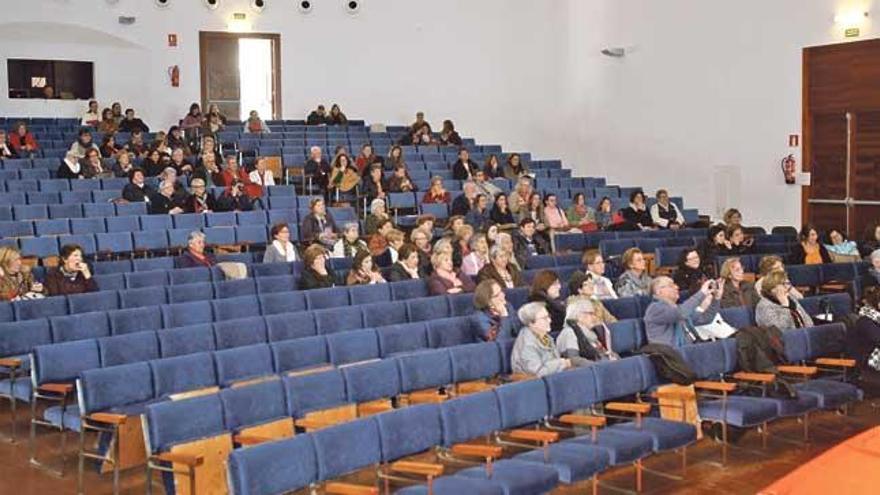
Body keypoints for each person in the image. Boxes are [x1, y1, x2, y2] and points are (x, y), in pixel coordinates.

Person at [644, 277, 721, 347]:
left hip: (688, 349)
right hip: (671, 356)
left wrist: (716, 298)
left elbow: (706, 319)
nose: (677, 287)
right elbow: (681, 313)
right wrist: (702, 293)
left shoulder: (676, 308)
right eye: (671, 285)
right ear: (659, 291)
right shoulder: (655, 309)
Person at [511, 302, 572, 377]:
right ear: (531, 323)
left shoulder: (543, 335)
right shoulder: (527, 345)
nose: (549, 320)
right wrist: (562, 363)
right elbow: (538, 373)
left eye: (548, 316)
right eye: (544, 318)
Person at [557, 298, 620, 364]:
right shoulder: (569, 332)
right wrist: (599, 366)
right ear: (579, 316)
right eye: (591, 313)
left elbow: (602, 353)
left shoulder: (592, 332)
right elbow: (574, 360)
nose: (594, 317)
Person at [528, 270, 566, 335]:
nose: (559, 287)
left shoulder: (550, 302)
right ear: (545, 285)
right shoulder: (540, 303)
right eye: (555, 284)